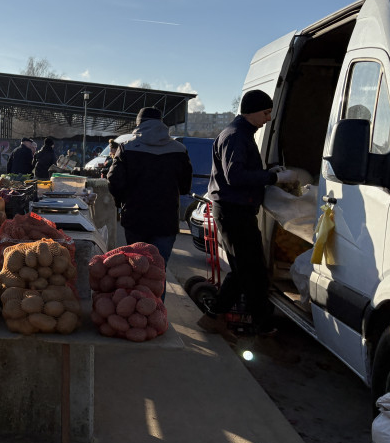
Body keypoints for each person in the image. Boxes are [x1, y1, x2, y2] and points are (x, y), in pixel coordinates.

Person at [198, 90, 296, 336]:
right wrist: (273, 178)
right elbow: (235, 176)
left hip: (237, 211)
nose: (268, 118)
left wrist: (270, 173)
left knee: (252, 270)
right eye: (266, 113)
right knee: (245, 270)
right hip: (233, 212)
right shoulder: (236, 136)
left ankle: (259, 323)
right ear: (252, 111)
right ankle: (215, 316)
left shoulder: (239, 134)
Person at [106, 108, 192, 298]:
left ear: (139, 124)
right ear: (162, 124)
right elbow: (186, 186)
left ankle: (137, 311)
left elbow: (114, 181)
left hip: (135, 219)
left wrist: (121, 202)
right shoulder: (179, 149)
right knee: (158, 272)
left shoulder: (127, 147)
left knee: (136, 269)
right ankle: (156, 311)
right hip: (166, 221)